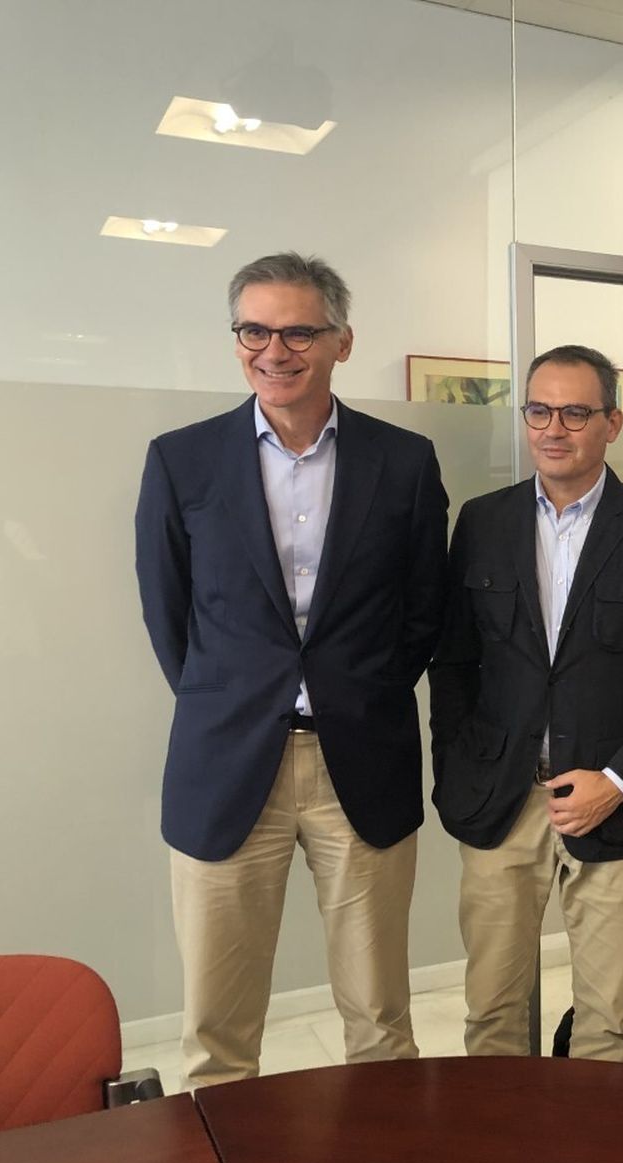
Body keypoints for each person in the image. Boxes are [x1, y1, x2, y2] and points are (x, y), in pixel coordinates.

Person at [134, 252, 449, 1086]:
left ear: (342, 341)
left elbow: (424, 612)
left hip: (363, 762)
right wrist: (233, 698)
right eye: (254, 330)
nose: (275, 349)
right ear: (236, 338)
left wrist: (365, 690)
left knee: (380, 1019)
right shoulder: (182, 460)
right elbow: (170, 615)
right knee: (218, 1032)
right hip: (227, 762)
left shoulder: (404, 462)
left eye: (298, 330)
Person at [429, 343, 623, 1062]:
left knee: (605, 1022)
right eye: (538, 410)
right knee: (492, 1014)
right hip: (501, 803)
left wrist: (618, 784)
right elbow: (453, 664)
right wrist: (458, 772)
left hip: (613, 807)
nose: (552, 428)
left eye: (575, 412)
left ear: (612, 423)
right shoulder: (483, 522)